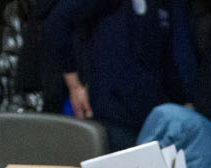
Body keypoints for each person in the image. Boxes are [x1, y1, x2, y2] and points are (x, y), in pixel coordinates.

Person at [47, 0, 198, 153]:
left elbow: (168, 60)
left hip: (150, 115)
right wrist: (74, 85)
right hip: (111, 110)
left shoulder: (163, 6)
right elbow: (58, 21)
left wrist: (184, 102)